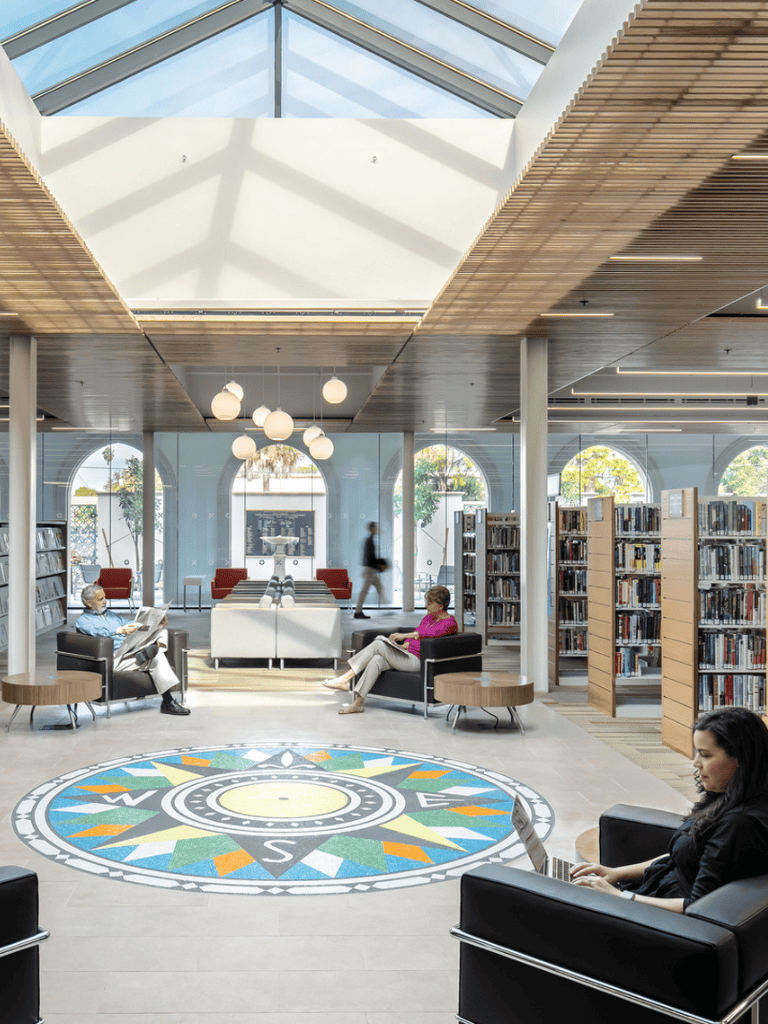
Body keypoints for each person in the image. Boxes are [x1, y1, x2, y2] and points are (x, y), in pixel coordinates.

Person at [571, 706, 768, 911]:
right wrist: (615, 873)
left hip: (664, 919)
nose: (695, 763)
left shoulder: (739, 825)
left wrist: (619, 897)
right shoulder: (726, 796)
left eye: (706, 755)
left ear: (741, 760)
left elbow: (697, 907)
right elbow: (680, 857)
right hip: (655, 893)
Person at [325, 584, 458, 714]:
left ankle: (346, 678)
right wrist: (400, 645)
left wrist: (403, 635)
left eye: (429, 603)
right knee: (377, 659)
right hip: (407, 655)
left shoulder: (450, 623)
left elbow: (428, 634)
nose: (425, 606)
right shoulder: (428, 618)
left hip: (419, 661)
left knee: (378, 643)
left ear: (440, 606)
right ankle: (358, 703)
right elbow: (414, 636)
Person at [76, 583, 190, 716]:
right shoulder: (83, 620)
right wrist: (119, 630)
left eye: (105, 597)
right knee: (156, 657)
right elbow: (96, 631)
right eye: (100, 599)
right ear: (89, 603)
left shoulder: (111, 615)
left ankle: (154, 647)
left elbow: (131, 624)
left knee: (161, 631)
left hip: (131, 651)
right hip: (115, 657)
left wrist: (156, 622)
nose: (105, 601)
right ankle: (168, 702)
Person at [353, 521, 386, 620]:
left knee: (379, 587)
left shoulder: (370, 540)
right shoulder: (369, 541)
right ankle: (358, 611)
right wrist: (380, 566)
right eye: (376, 528)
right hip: (369, 570)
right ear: (372, 529)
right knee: (364, 591)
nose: (377, 530)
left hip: (371, 569)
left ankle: (386, 606)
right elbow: (370, 557)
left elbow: (371, 557)